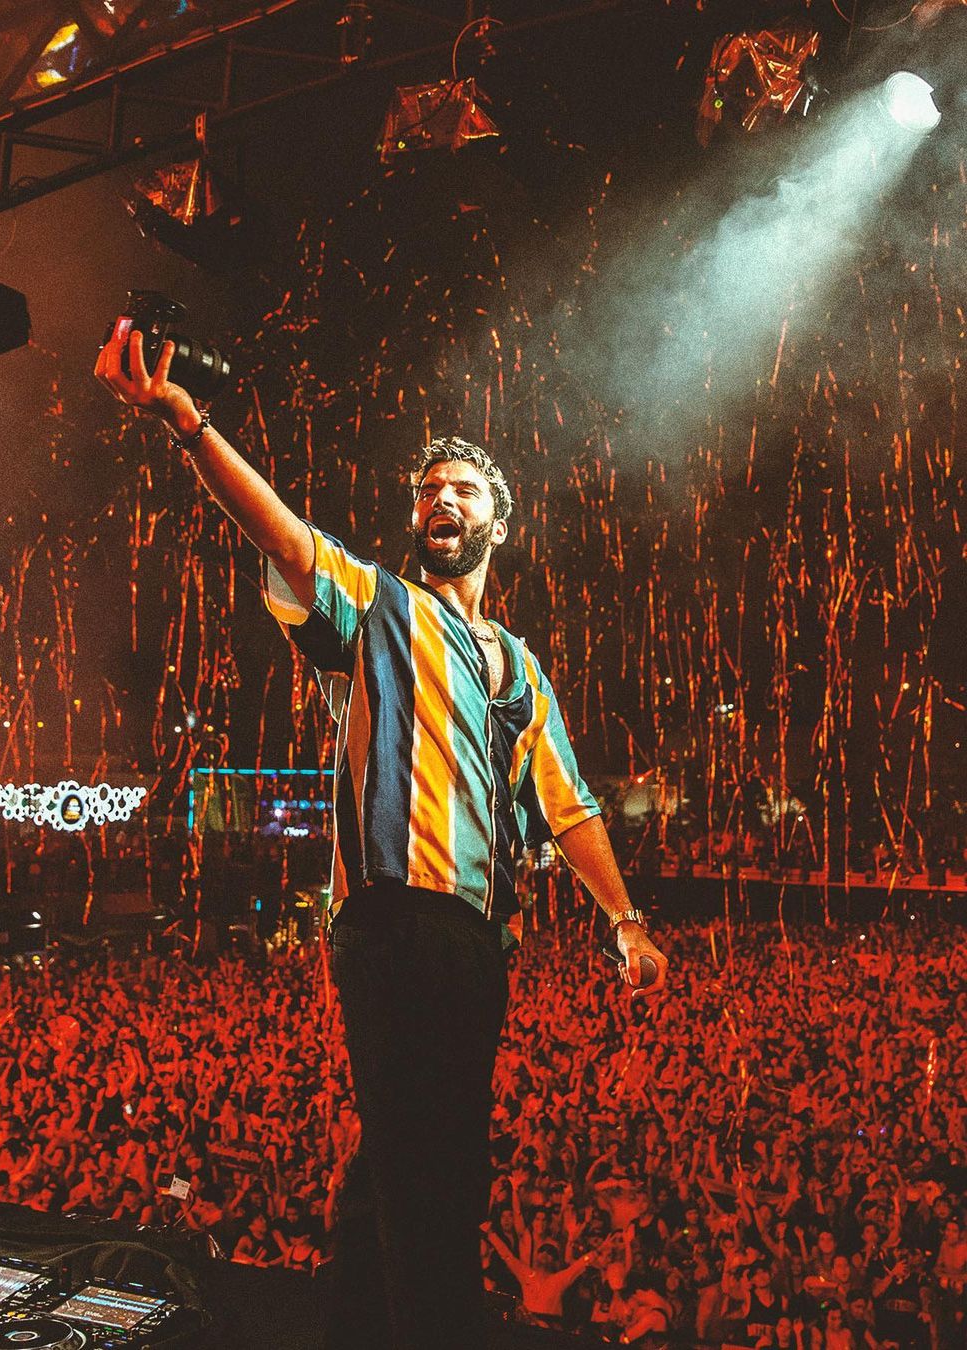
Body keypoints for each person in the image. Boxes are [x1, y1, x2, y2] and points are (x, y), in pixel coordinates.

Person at [94, 327, 668, 1350]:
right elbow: (283, 537)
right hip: (395, 918)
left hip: (480, 939)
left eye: (463, 489)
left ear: (499, 523)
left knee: (400, 1152)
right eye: (428, 489)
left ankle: (356, 1322)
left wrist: (625, 919)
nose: (441, 498)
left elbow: (571, 806)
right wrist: (191, 424)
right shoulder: (379, 607)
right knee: (439, 1161)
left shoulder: (521, 666)